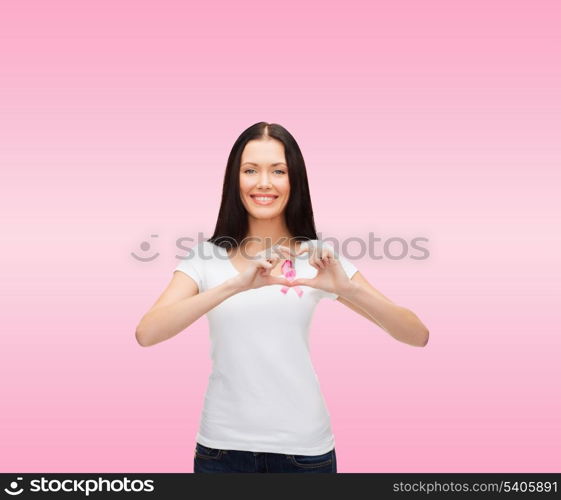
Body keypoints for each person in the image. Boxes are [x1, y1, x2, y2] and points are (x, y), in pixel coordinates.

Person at [135, 122, 430, 473]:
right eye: (250, 170)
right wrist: (236, 285)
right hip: (222, 452)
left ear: (295, 181)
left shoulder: (319, 258)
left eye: (278, 171)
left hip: (304, 453)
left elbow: (416, 335)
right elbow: (147, 333)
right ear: (235, 180)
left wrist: (347, 289)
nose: (263, 183)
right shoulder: (205, 257)